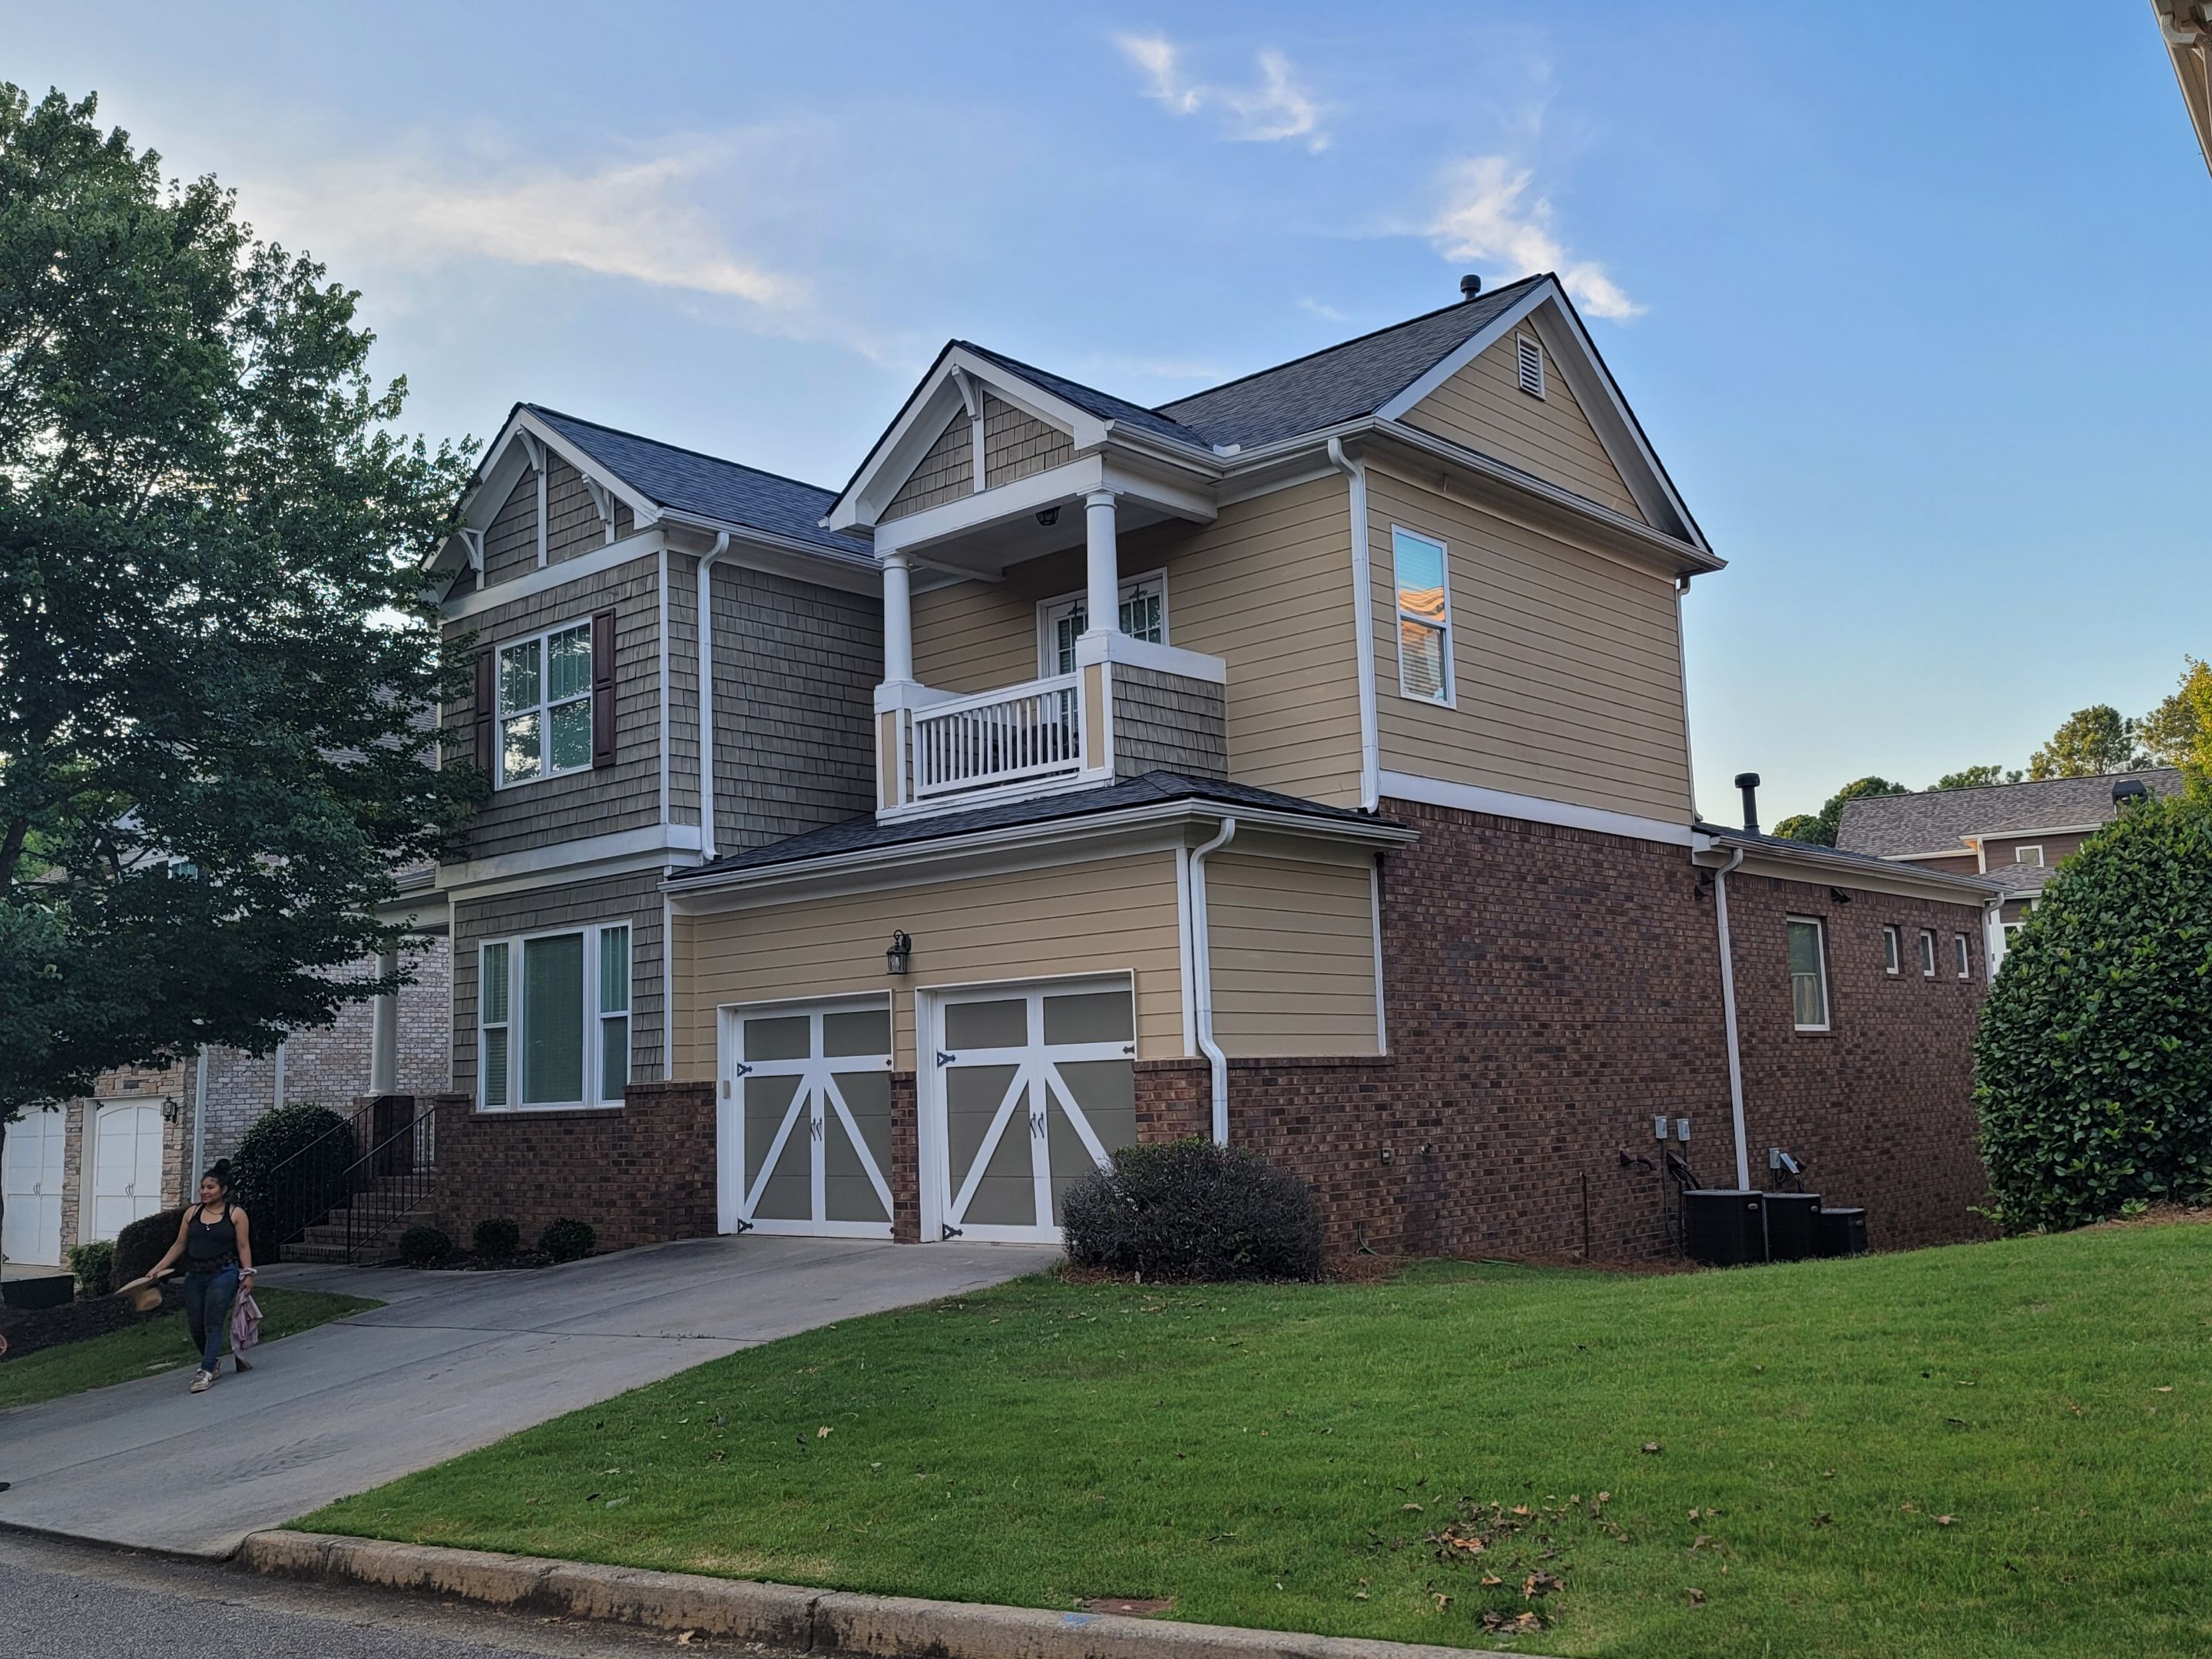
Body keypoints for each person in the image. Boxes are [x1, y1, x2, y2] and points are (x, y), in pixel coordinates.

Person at [147, 1161, 257, 1393]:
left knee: (213, 1322)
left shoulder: (236, 1214)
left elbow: (243, 1245)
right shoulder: (192, 1213)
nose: (205, 1192)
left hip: (224, 1273)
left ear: (223, 1190)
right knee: (195, 1324)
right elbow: (179, 1245)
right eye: (203, 1187)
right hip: (195, 1275)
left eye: (211, 1188)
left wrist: (248, 1274)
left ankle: (206, 1370)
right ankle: (213, 1360)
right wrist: (158, 1268)